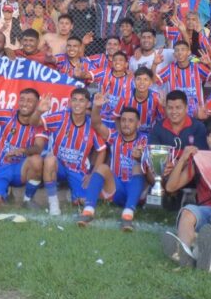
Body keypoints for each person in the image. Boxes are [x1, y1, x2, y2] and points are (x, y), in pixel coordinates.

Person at [161, 120, 211, 272]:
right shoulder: (199, 161)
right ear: (207, 139)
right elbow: (170, 187)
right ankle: (185, 252)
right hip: (203, 210)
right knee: (188, 210)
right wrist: (183, 159)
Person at [79, 95, 152, 231]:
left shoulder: (145, 140)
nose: (126, 123)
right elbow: (96, 124)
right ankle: (88, 211)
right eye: (123, 120)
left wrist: (141, 158)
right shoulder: (114, 136)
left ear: (138, 124)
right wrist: (97, 107)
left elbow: (150, 169)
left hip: (137, 190)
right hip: (116, 188)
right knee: (102, 167)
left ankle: (128, 215)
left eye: (130, 121)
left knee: (138, 167)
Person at [0, 78, 46, 214]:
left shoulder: (40, 124)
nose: (24, 103)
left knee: (37, 160)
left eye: (30, 101)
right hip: (0, 167)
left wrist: (22, 151)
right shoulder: (8, 115)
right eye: (22, 99)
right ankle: (0, 193)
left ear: (37, 105)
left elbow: (38, 148)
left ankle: (27, 199)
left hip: (21, 170)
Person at [31, 89, 107, 216]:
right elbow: (34, 123)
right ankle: (54, 204)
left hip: (78, 170)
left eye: (81, 100)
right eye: (74, 100)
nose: (77, 103)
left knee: (83, 202)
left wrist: (92, 173)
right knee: (50, 159)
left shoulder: (92, 125)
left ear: (88, 104)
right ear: (70, 102)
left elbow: (102, 150)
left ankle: (71, 193)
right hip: (58, 166)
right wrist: (39, 111)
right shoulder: (60, 117)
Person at [155, 40, 211, 119]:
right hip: (177, 115)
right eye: (177, 50)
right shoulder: (170, 68)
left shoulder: (197, 67)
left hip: (197, 115)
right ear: (174, 54)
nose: (180, 52)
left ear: (188, 52)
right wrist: (154, 64)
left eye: (183, 49)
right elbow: (153, 80)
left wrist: (210, 64)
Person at [148, 90, 209, 157]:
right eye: (170, 108)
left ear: (186, 108)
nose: (174, 111)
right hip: (166, 166)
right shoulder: (157, 128)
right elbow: (154, 155)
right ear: (166, 109)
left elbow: (200, 155)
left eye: (178, 108)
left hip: (191, 166)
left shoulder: (199, 127)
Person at [112, 67, 164, 136]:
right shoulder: (125, 96)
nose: (142, 82)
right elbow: (116, 117)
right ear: (134, 81)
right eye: (138, 79)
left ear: (151, 82)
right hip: (130, 135)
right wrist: (121, 134)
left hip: (149, 135)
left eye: (145, 79)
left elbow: (162, 120)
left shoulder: (156, 98)